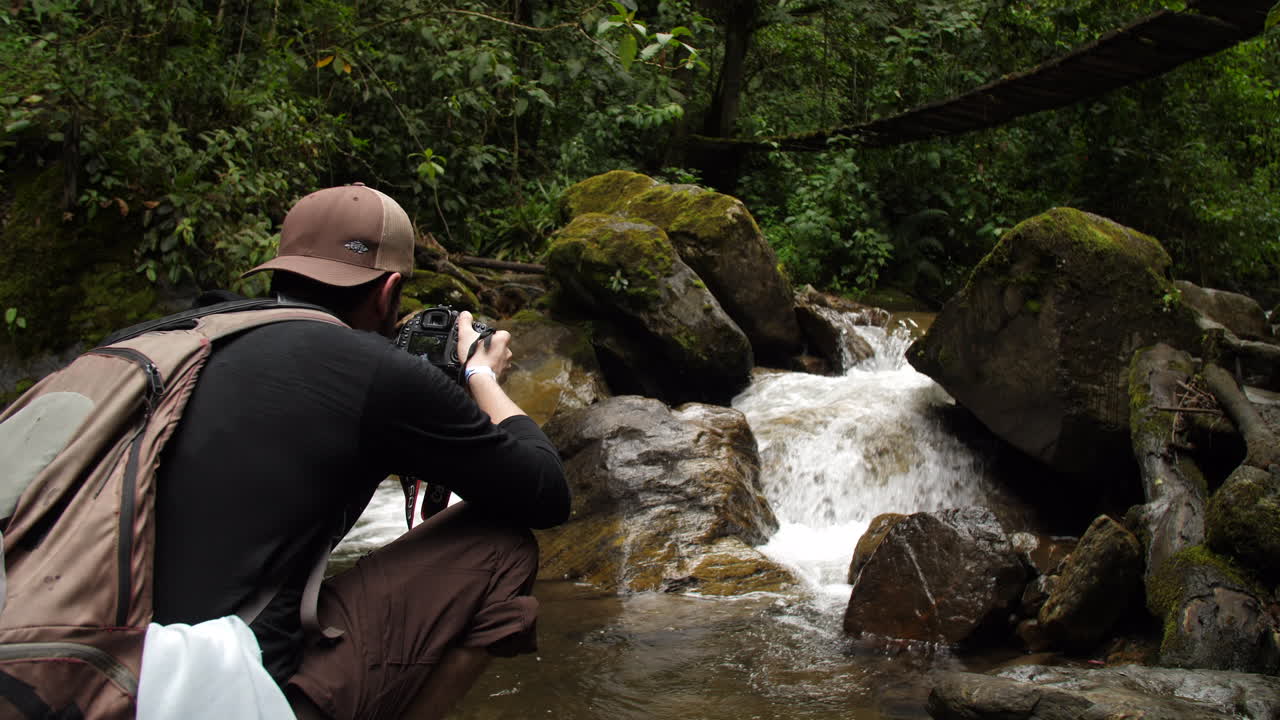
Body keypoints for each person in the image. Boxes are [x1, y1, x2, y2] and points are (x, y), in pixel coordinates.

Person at [145, 183, 570, 719]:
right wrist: (479, 374)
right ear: (389, 292)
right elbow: (545, 493)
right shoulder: (369, 372)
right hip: (218, 695)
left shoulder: (168, 341)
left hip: (82, 672)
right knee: (502, 545)